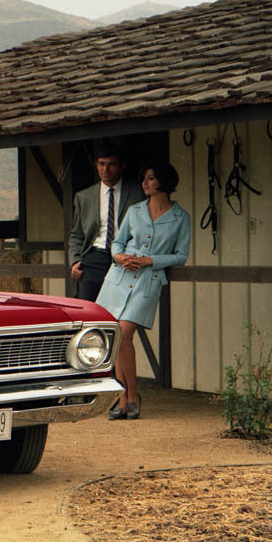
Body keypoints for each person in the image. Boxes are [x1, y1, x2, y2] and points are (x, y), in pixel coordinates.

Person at [95, 162, 191, 420]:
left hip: (148, 281)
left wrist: (151, 261)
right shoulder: (134, 211)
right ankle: (124, 398)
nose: (144, 183)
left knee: (124, 334)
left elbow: (181, 256)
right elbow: (116, 242)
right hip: (119, 277)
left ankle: (133, 393)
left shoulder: (181, 218)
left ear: (163, 181)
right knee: (115, 338)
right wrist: (119, 257)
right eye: (143, 179)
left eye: (150, 178)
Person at [68, 146, 145, 301]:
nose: (106, 169)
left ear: (122, 166)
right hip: (95, 256)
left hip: (125, 257)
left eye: (111, 164)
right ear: (96, 165)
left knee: (120, 308)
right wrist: (75, 261)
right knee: (88, 309)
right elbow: (77, 234)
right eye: (102, 164)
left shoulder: (137, 192)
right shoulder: (84, 197)